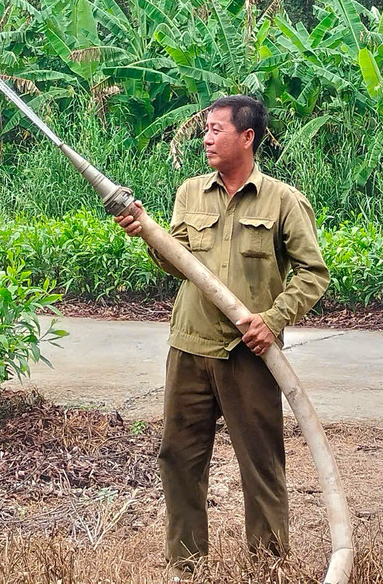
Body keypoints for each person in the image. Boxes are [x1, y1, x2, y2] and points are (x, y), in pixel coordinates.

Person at [113, 95, 330, 577]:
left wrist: (271, 320)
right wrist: (145, 233)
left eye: (217, 130)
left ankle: (268, 568)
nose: (206, 138)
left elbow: (313, 274)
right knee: (178, 458)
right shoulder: (190, 192)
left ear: (247, 136)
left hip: (248, 355)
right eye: (205, 129)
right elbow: (176, 263)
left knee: (262, 467)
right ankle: (186, 565)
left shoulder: (283, 201)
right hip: (189, 345)